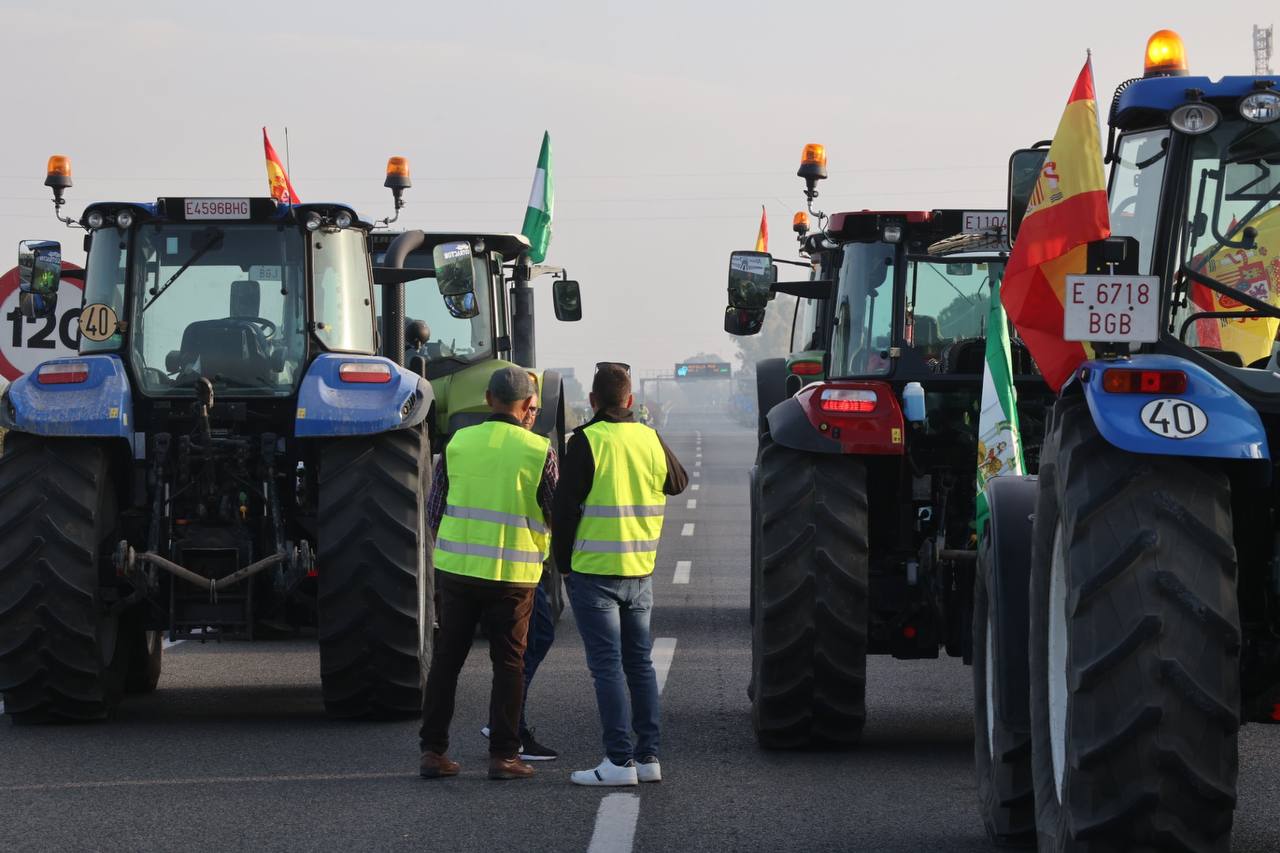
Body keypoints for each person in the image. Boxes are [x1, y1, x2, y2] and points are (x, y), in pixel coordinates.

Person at [553, 362, 688, 786]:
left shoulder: (586, 441)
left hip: (594, 572)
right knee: (640, 666)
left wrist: (564, 566)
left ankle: (618, 761)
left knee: (607, 667)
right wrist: (650, 437)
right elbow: (678, 482)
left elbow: (564, 509)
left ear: (592, 401)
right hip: (639, 572)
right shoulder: (648, 437)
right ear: (630, 401)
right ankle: (648, 759)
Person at [418, 367, 555, 781]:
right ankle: (503, 756)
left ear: (487, 399)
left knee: (447, 662)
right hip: (514, 577)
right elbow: (553, 510)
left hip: (457, 571)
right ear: (528, 405)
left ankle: (433, 752)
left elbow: (434, 510)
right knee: (509, 665)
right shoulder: (539, 450)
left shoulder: (458, 443)